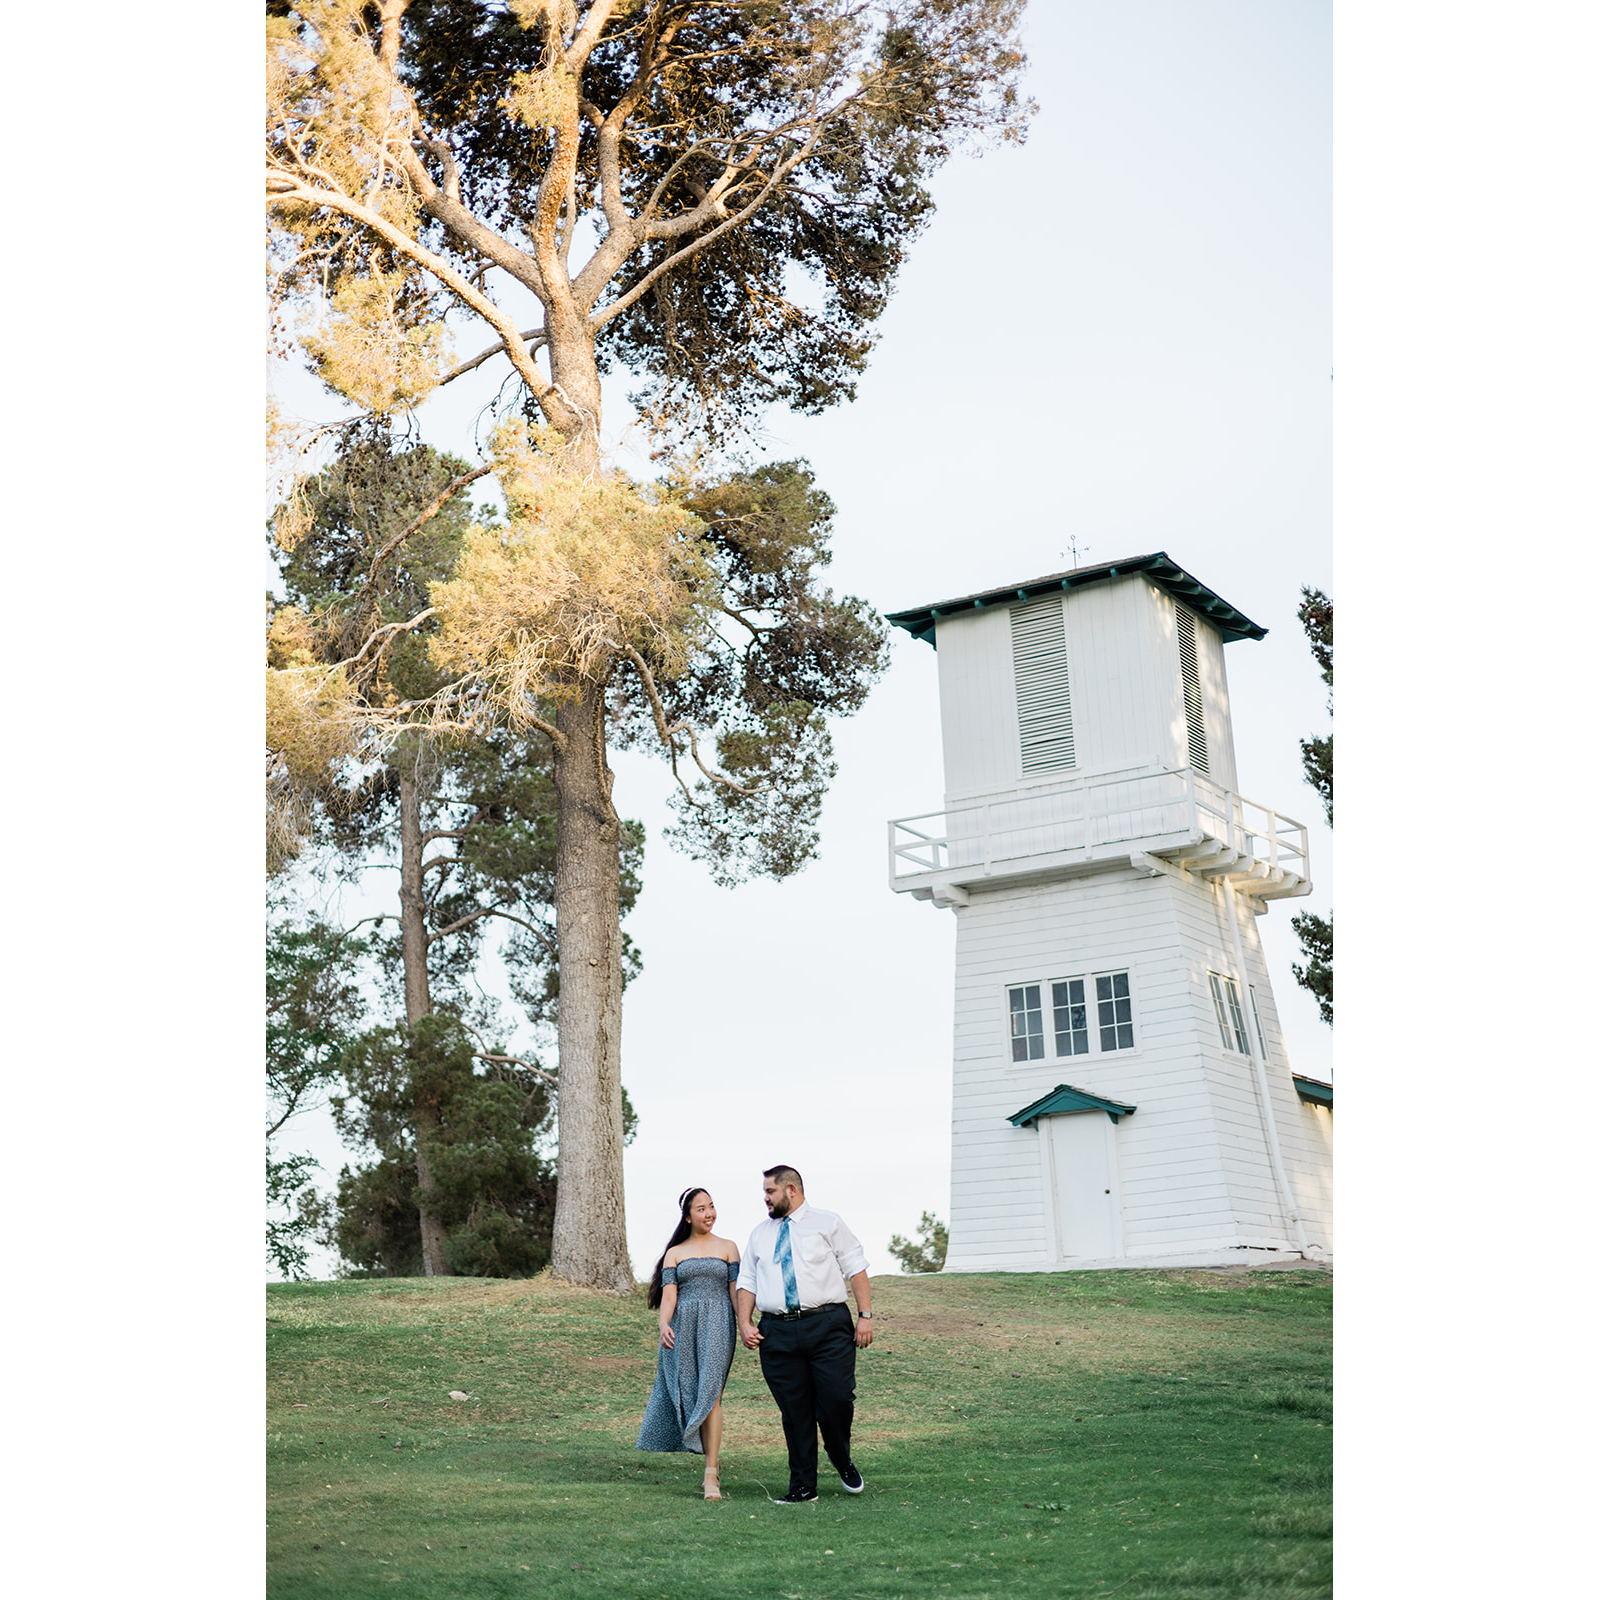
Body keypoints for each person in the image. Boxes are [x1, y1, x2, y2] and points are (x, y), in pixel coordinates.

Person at [735, 1164, 874, 1504]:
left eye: (770, 1192)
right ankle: (803, 1486)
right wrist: (745, 1323)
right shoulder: (759, 1234)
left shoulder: (827, 1223)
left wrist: (865, 1316)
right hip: (778, 1332)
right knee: (795, 1412)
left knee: (836, 1401)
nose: (765, 1198)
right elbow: (747, 1281)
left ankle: (841, 1456)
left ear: (791, 1190)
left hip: (827, 1326)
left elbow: (855, 1266)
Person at [636, 1187, 741, 1500]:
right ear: (687, 1216)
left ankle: (711, 1473)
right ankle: (701, 1455)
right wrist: (664, 1323)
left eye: (711, 1206)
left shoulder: (729, 1248)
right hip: (684, 1326)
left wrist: (746, 1322)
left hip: (719, 1323)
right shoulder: (676, 1253)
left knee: (712, 1394)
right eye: (700, 1209)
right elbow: (670, 1294)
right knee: (692, 1391)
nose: (708, 1213)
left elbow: (736, 1291)